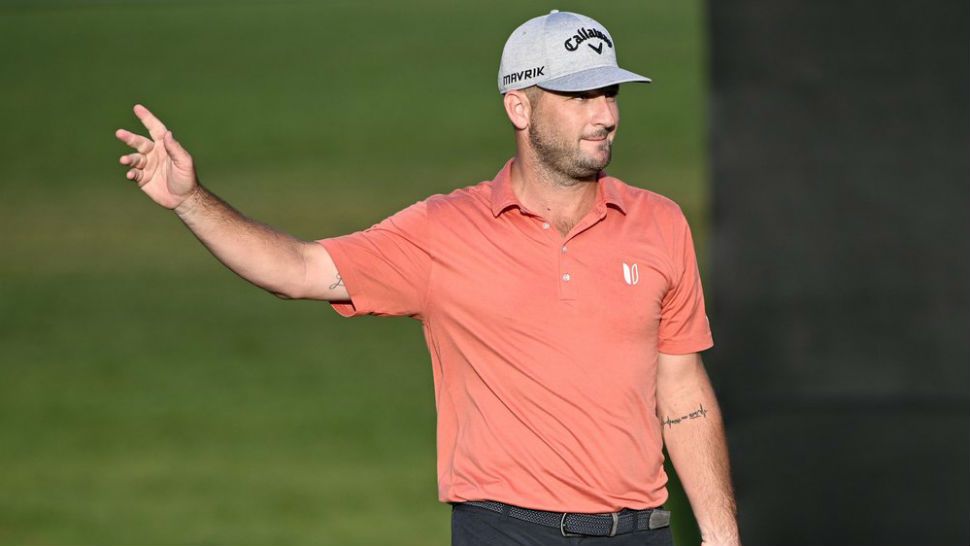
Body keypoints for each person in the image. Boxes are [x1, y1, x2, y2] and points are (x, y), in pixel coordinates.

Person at [114, 9, 740, 546]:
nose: (605, 115)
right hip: (506, 530)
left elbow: (682, 391)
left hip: (643, 530)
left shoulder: (659, 224)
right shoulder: (445, 231)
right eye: (580, 96)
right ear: (519, 107)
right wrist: (192, 200)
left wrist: (720, 535)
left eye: (611, 94)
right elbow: (299, 270)